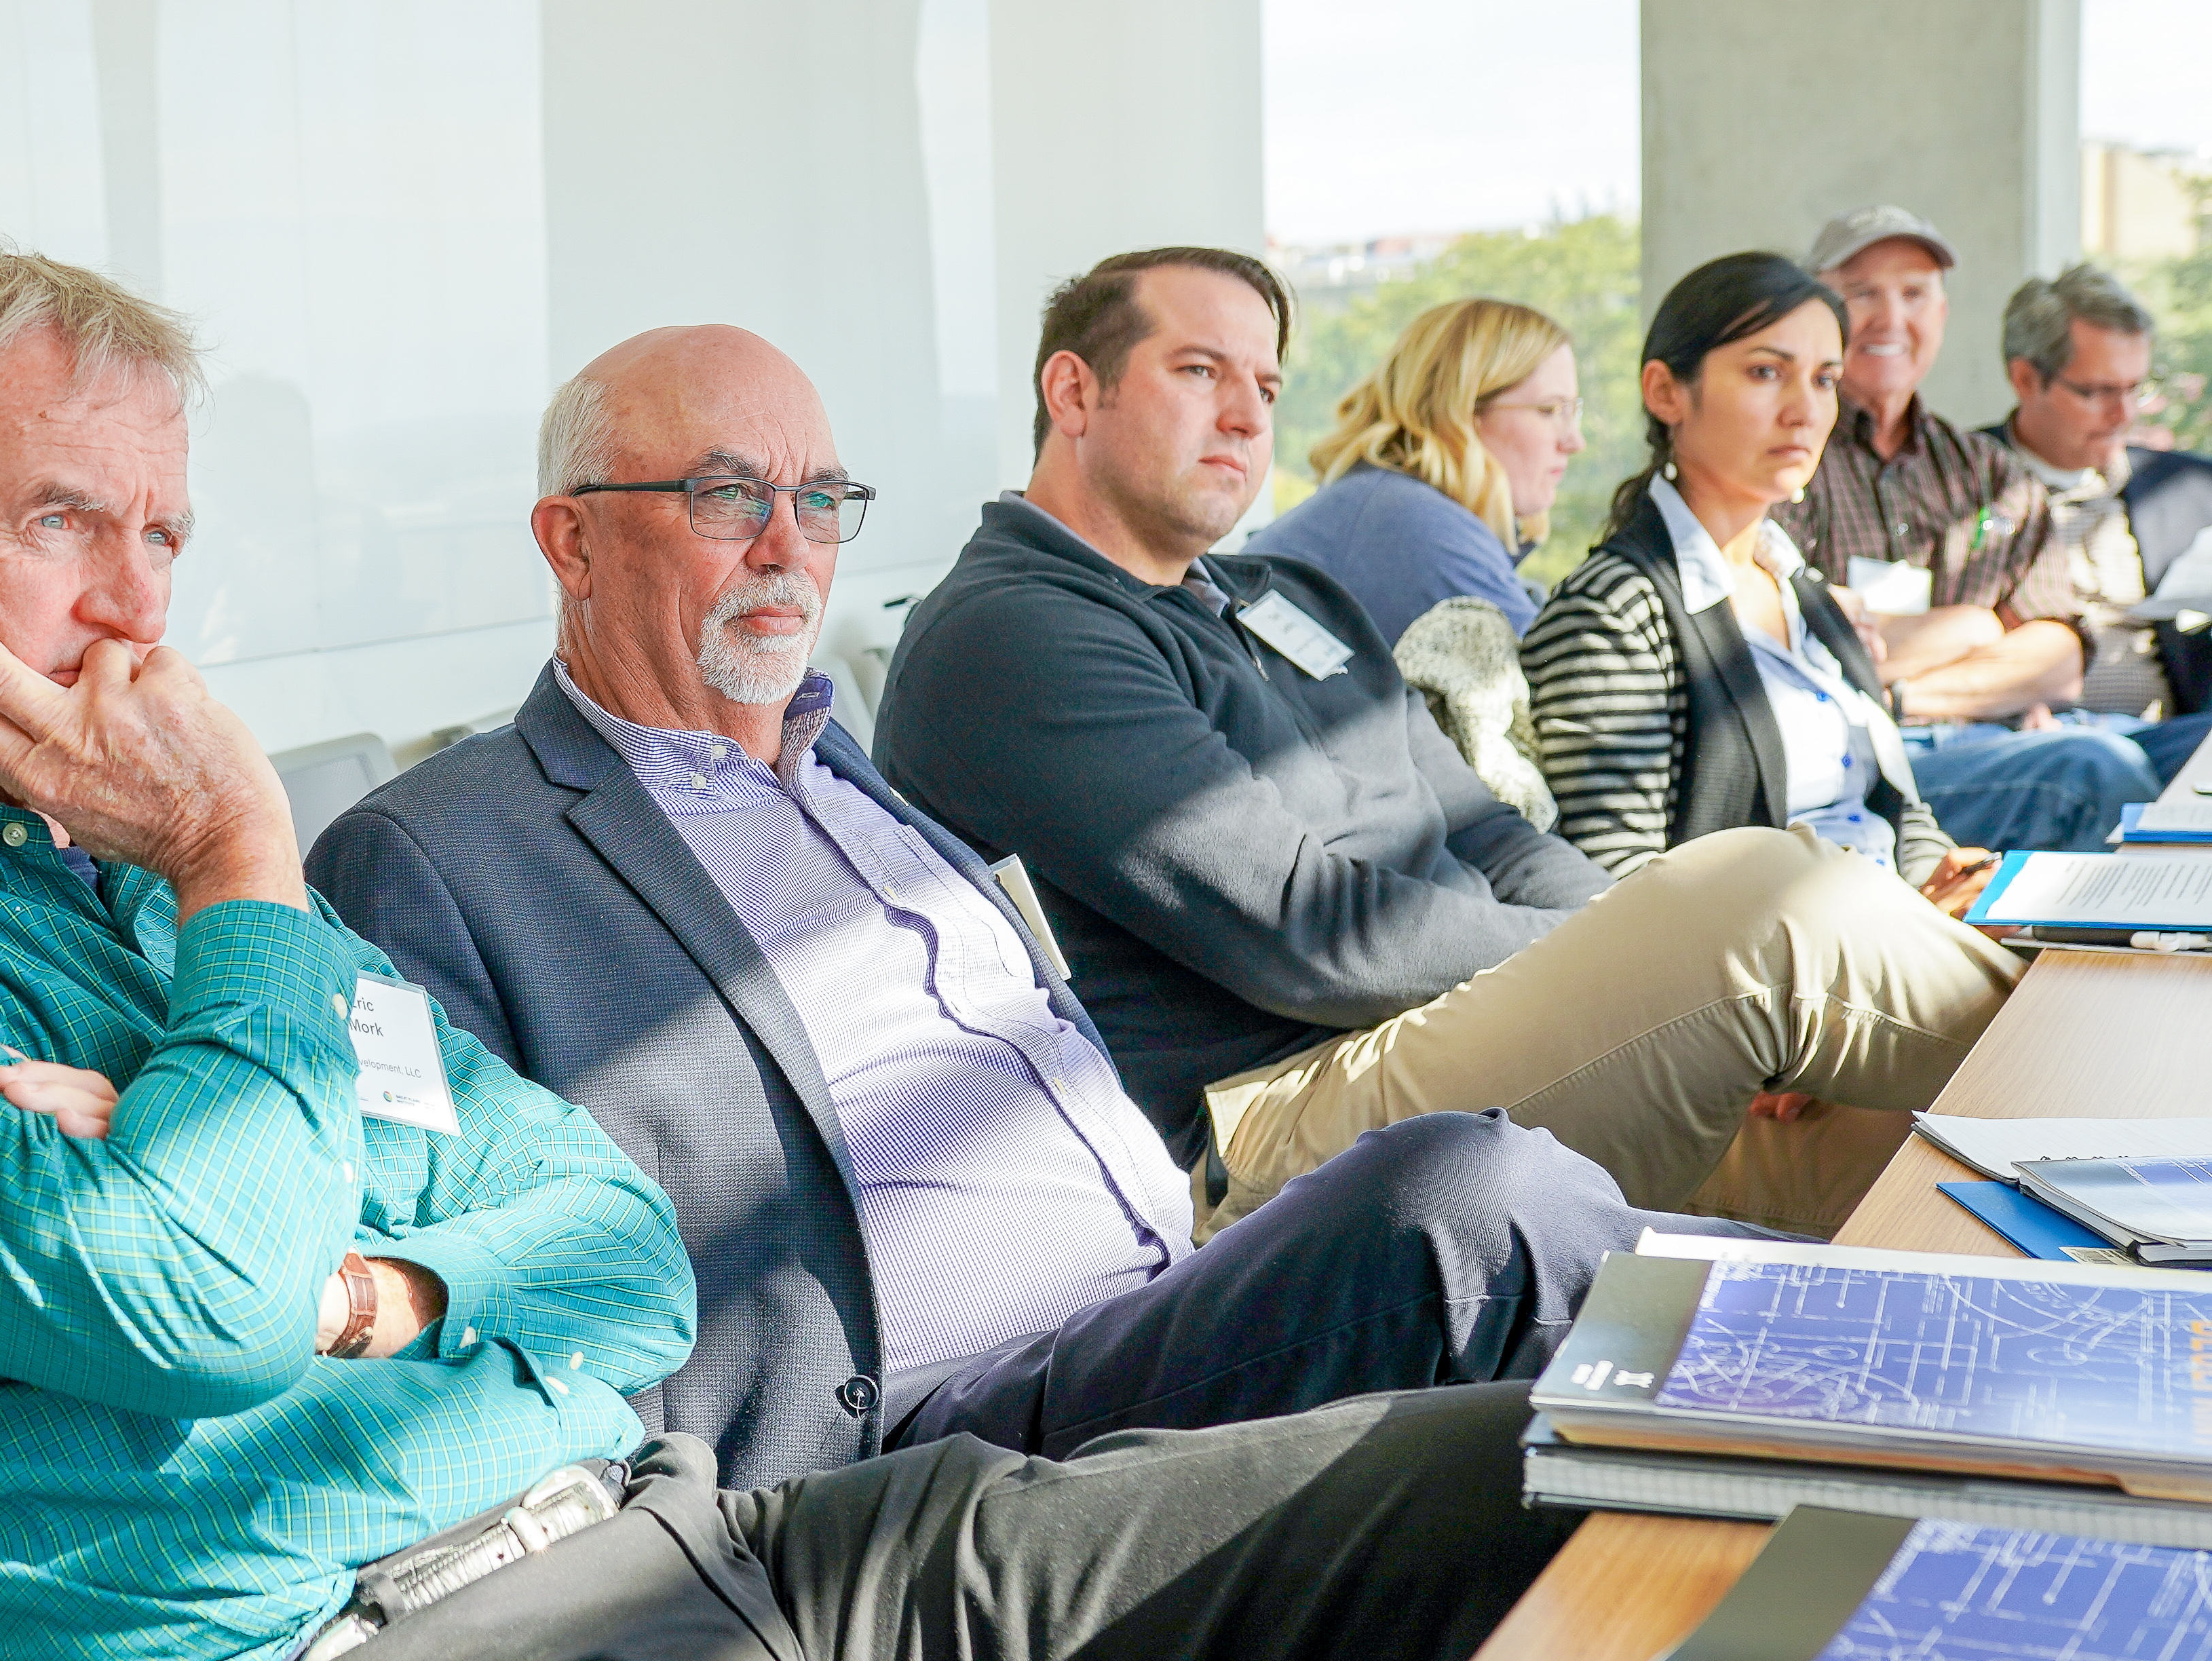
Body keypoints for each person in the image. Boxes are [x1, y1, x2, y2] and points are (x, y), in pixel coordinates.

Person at [0, 245, 1580, 1661]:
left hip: (718, 1551)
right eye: (69, 524)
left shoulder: (166, 914)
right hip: (419, 1631)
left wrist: (359, 1278)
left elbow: (620, 1249)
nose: (143, 613)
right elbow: (188, 1297)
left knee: (1536, 1484)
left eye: (167, 537)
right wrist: (236, 871)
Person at [307, 319, 1771, 1498]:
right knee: (1464, 1202)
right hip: (916, 1449)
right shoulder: (434, 853)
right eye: (722, 496)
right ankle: (1899, 1388)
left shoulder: (838, 772)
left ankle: (1902, 1414)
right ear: (568, 543)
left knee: (1553, 1429)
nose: (786, 545)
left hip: (1156, 1286)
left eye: (818, 499)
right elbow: (467, 1271)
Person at [873, 246, 2025, 1241]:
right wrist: (1630, 952)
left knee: (1894, 1148)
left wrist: (1628, 965)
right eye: (1197, 371)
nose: (1244, 415)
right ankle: (2122, 1073)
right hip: (1267, 1119)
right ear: (1074, 391)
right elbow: (1312, 935)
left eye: (1265, 384)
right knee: (1774, 897)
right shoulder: (1012, 631)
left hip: (1449, 1046)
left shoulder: (1291, 597)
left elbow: (1489, 830)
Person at [1524, 252, 1989, 901]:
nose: (1804, 410)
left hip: (1889, 932)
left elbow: (1899, 814)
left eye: (1825, 379)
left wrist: (1940, 878)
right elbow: (1616, 885)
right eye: (1766, 372)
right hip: (1776, 971)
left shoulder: (1801, 589)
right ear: (1665, 392)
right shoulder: (1611, 613)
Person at [1769, 206, 2161, 850]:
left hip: (1998, 738)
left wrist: (1901, 683)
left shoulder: (1985, 471)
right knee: (2093, 773)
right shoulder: (1785, 457)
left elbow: (2059, 654)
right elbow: (1804, 643)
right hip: (1860, 757)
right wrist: (1978, 631)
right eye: (1863, 292)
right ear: (1816, 314)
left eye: (1915, 294)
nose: (1892, 318)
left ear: (1941, 316)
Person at [1980, 263, 2212, 773]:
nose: (2123, 414)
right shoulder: (1957, 482)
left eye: (2135, 389)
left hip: (2170, 734)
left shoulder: (2191, 491)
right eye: (2098, 392)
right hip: (2025, 744)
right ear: (2025, 379)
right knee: (2097, 764)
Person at [1248, 297, 1584, 643]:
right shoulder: (1411, 521)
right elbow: (1562, 683)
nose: (1574, 441)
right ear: (1462, 410)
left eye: (1574, 411)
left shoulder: (1381, 500)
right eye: (1549, 410)